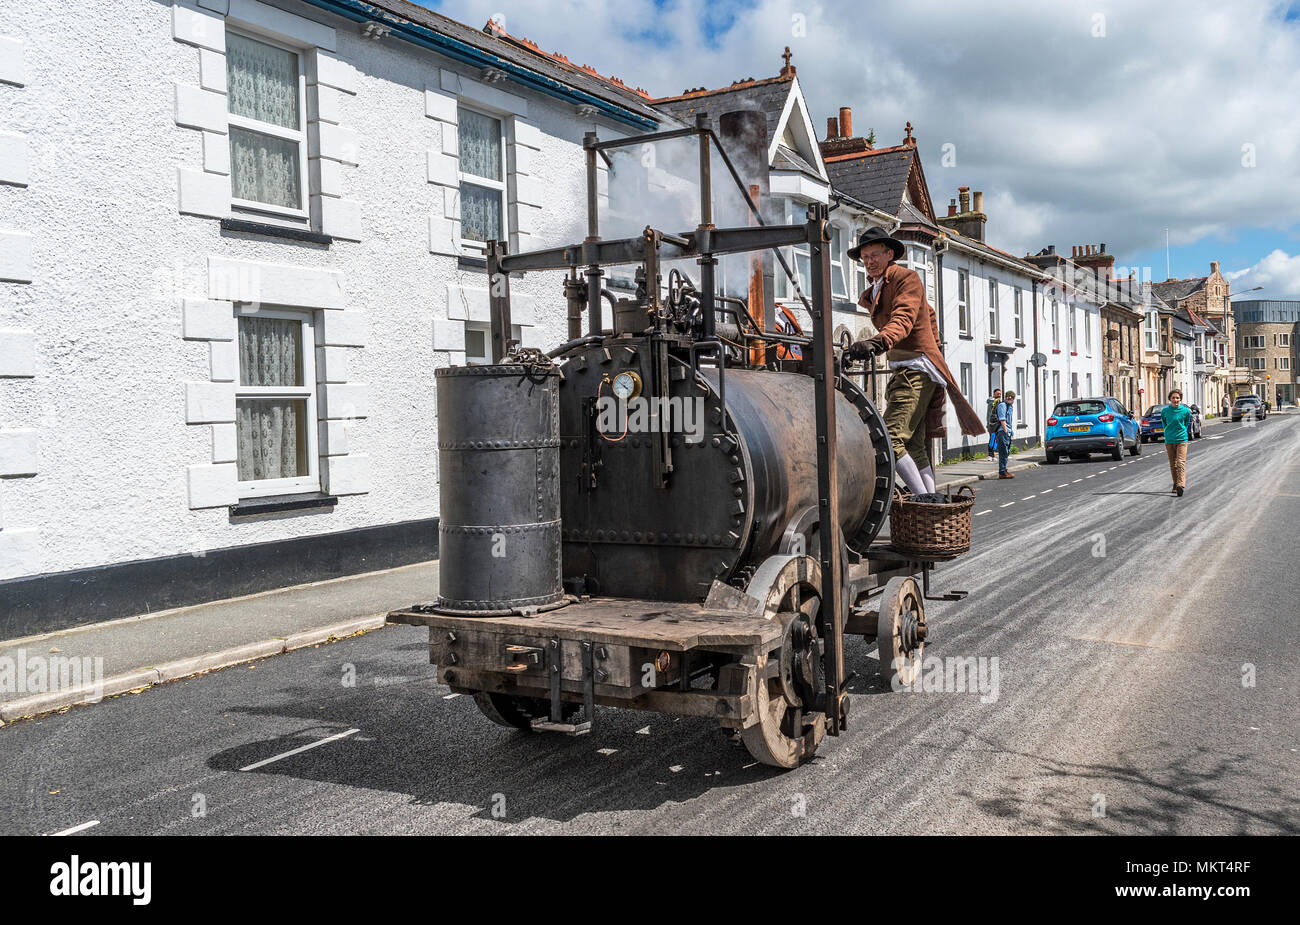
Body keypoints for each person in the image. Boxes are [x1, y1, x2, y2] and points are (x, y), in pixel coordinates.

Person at [845, 228, 986, 495]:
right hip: (910, 368)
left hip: (916, 369)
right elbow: (928, 316)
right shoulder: (877, 289)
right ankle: (932, 504)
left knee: (888, 437)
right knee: (914, 446)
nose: (870, 261)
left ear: (889, 254)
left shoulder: (906, 279)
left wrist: (877, 342)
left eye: (875, 255)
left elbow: (904, 318)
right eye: (865, 257)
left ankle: (922, 500)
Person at [1161, 388, 1192, 496]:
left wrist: (1181, 431)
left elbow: (1187, 422)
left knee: (1180, 462)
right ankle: (1175, 483)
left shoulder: (1185, 411)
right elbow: (1165, 423)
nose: (1176, 400)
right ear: (1170, 399)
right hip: (1169, 440)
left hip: (1182, 439)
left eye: (1178, 398)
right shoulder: (1165, 411)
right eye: (1173, 398)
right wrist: (1168, 432)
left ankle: (1180, 485)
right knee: (1173, 464)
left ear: (1181, 399)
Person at [994, 390, 1017, 478]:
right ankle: (1002, 472)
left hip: (1007, 432)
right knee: (1003, 452)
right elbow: (1002, 419)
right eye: (1008, 396)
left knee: (1006, 452)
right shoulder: (1002, 405)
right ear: (1005, 397)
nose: (1010, 397)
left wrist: (1010, 431)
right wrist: (1006, 431)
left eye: (1011, 396)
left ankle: (1004, 469)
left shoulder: (1010, 406)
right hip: (1002, 432)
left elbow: (1009, 421)